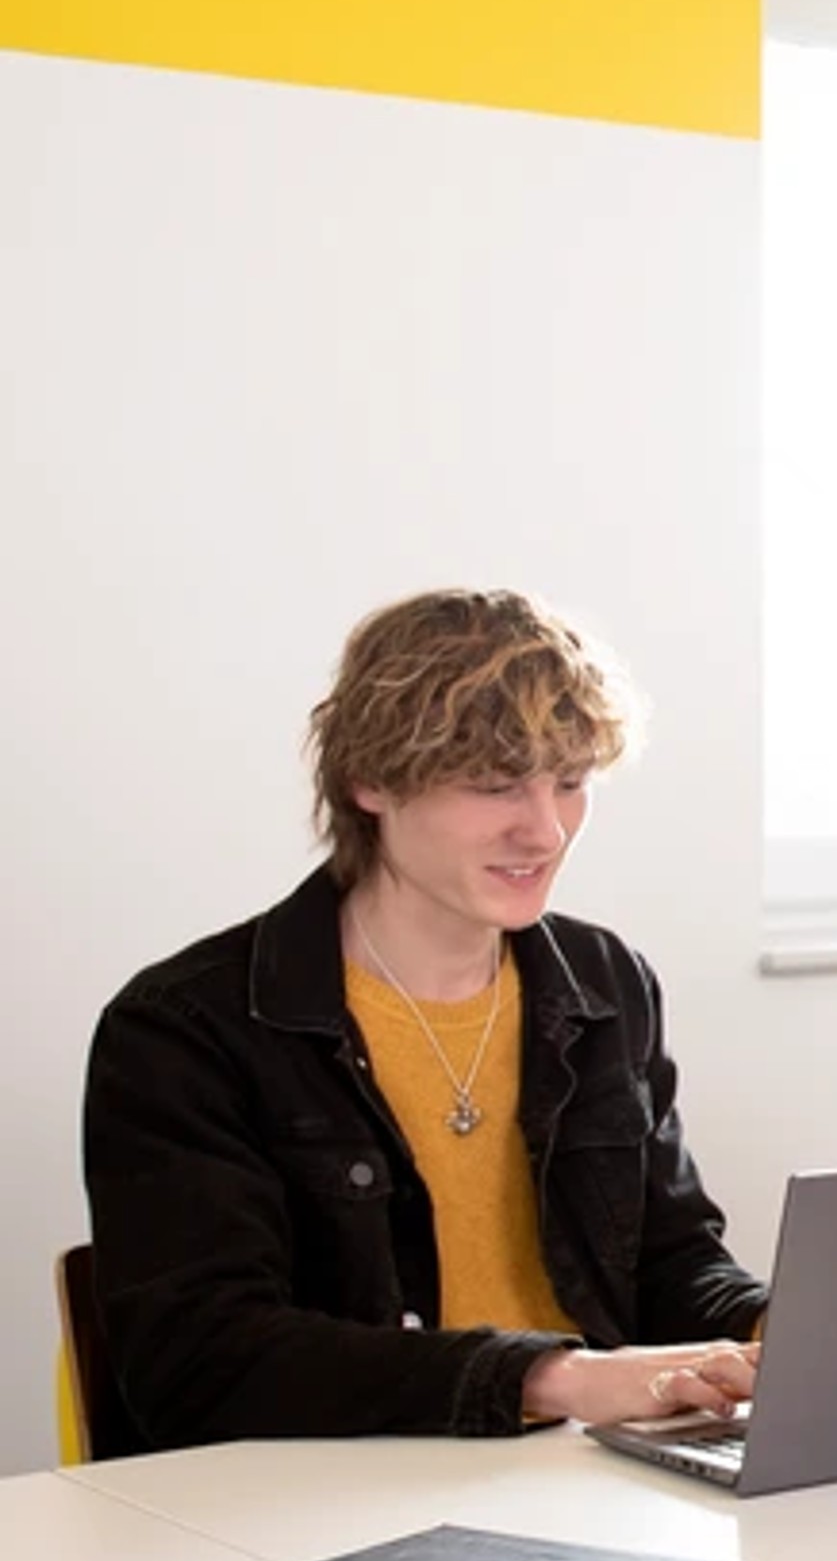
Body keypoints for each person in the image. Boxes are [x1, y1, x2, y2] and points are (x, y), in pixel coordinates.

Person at [81, 591, 765, 1453]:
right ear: (370, 780)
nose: (546, 829)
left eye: (571, 781)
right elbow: (202, 1361)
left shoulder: (605, 984)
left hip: (587, 1485)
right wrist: (555, 1376)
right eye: (493, 785)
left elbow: (671, 1263)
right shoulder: (186, 1029)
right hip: (324, 1512)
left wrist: (778, 1328)